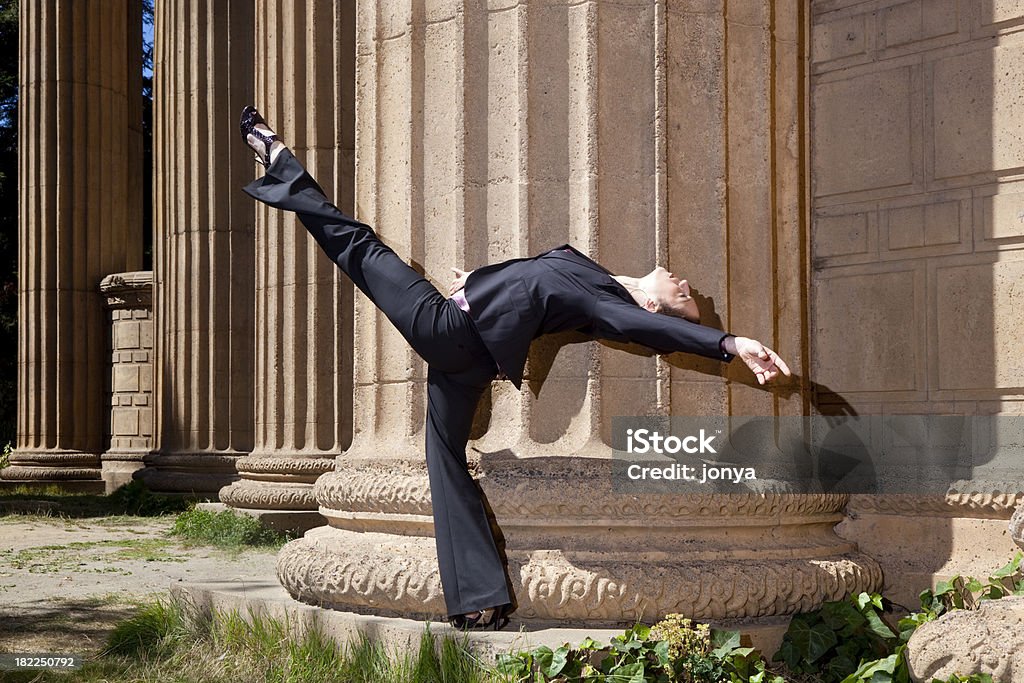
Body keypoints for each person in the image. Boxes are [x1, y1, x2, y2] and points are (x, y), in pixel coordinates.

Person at [239, 106, 791, 632]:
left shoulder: (609, 306)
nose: (683, 281)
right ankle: (480, 599)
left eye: (682, 294)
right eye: (686, 290)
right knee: (444, 457)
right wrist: (478, 279)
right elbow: (529, 280)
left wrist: (729, 342)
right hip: (469, 355)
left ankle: (281, 161)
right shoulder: (594, 279)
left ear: (651, 305)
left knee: (356, 244)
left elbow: (657, 330)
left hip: (449, 330)